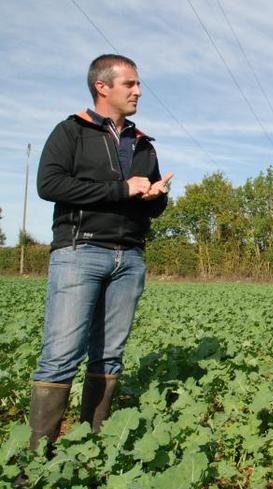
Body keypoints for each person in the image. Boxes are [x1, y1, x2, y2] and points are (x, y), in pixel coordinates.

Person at [29, 54, 173, 451]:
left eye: (138, 84)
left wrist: (156, 196)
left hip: (129, 258)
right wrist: (121, 189)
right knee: (60, 356)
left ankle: (92, 447)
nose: (138, 91)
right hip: (80, 251)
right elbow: (50, 185)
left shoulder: (143, 143)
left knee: (109, 357)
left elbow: (149, 207)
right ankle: (36, 461)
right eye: (130, 84)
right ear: (102, 87)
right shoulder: (72, 132)